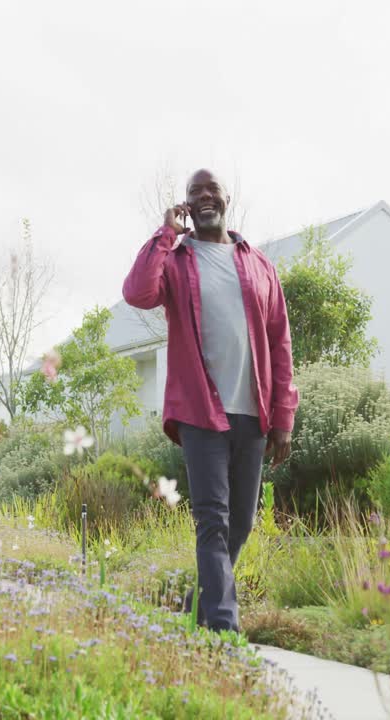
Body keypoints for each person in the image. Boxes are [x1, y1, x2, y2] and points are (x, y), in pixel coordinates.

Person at [122, 168, 298, 632]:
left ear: (226, 199)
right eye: (193, 193)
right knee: (212, 522)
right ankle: (222, 632)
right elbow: (136, 292)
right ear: (186, 205)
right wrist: (165, 233)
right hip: (200, 411)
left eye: (211, 191)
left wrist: (284, 415)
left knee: (240, 523)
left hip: (253, 412)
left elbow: (280, 341)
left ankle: (197, 606)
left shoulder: (259, 265)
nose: (203, 198)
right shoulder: (176, 262)